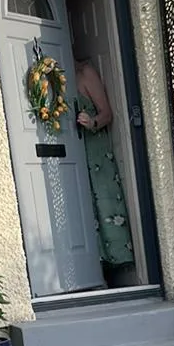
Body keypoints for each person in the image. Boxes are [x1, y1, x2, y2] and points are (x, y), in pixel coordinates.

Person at [74, 55, 138, 281]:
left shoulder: (84, 72)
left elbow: (107, 114)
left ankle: (118, 269)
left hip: (95, 152)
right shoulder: (49, 80)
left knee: (103, 202)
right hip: (71, 154)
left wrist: (91, 122)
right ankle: (89, 271)